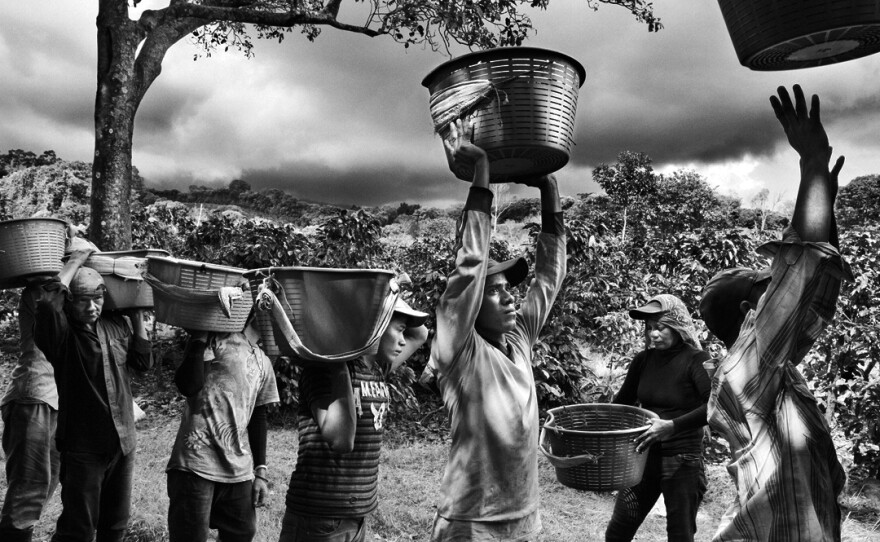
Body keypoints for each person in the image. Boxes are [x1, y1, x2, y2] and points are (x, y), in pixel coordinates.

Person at [699, 85, 849, 541]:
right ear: (750, 312)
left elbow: (818, 284)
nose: (778, 284)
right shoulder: (748, 369)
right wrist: (810, 166)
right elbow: (803, 264)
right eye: (766, 284)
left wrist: (824, 192)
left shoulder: (771, 369)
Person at [429, 118, 566, 542]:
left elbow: (549, 276)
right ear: (472, 306)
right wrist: (482, 174)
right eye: (497, 291)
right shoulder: (459, 350)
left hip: (524, 520)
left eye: (511, 290)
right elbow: (469, 267)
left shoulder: (518, 339)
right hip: (472, 526)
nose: (511, 298)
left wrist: (548, 189)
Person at [277, 297, 429, 542]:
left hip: (355, 515)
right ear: (375, 328)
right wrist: (339, 364)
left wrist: (392, 294)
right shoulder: (325, 370)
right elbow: (341, 441)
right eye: (399, 330)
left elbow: (420, 333)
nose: (403, 339)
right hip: (320, 517)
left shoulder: (377, 368)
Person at [33, 245, 154, 542]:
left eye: (98, 299)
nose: (91, 308)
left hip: (123, 442)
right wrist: (75, 261)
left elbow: (142, 364)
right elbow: (48, 304)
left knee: (115, 525)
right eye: (83, 301)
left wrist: (137, 317)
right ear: (70, 302)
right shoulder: (61, 334)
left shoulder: (115, 325)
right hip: (83, 447)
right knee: (79, 527)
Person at [604, 294, 712, 542]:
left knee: (680, 534)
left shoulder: (696, 360)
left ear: (677, 326)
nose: (653, 334)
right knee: (618, 530)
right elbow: (622, 403)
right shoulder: (643, 360)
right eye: (650, 328)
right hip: (642, 456)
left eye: (661, 327)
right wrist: (594, 424)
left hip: (681, 460)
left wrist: (672, 427)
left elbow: (715, 407)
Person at [165, 314, 280, 542]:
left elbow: (258, 416)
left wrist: (261, 472)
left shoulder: (263, 360)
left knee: (243, 532)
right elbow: (188, 385)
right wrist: (199, 339)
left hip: (238, 470)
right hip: (196, 464)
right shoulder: (216, 338)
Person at [0, 284, 60, 542]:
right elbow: (49, 304)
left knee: (47, 482)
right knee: (28, 488)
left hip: (56, 399)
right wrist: (76, 261)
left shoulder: (76, 292)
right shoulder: (40, 290)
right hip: (33, 395)